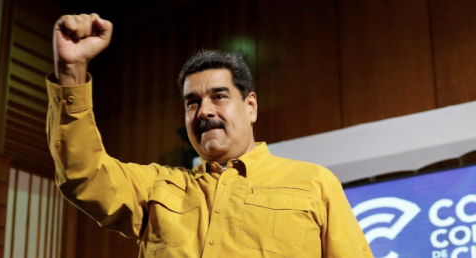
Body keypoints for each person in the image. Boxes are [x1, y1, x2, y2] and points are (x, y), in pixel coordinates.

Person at [46, 13, 373, 258]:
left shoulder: (314, 183)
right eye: (192, 103)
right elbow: (83, 174)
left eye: (218, 96)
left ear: (250, 106)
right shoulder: (156, 189)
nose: (203, 111)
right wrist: (71, 72)